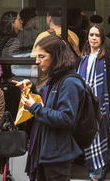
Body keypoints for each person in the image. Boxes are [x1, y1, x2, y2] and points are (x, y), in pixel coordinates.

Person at [18, 35, 84, 181]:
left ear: (55, 57)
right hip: (46, 151)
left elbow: (66, 118)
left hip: (56, 155)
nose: (37, 61)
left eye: (42, 56)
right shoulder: (53, 79)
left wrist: (34, 108)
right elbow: (44, 103)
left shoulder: (70, 82)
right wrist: (32, 89)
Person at [77, 24, 110, 181]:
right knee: (89, 139)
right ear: (87, 37)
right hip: (84, 108)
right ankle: (100, 168)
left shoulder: (109, 58)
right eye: (91, 35)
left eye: (97, 35)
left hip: (101, 107)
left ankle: (96, 173)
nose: (94, 38)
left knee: (98, 138)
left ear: (102, 38)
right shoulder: (82, 59)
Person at [0, 11, 23, 83]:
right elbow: (14, 64)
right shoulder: (13, 41)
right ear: (12, 24)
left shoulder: (3, 40)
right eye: (19, 20)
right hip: (10, 79)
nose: (22, 22)